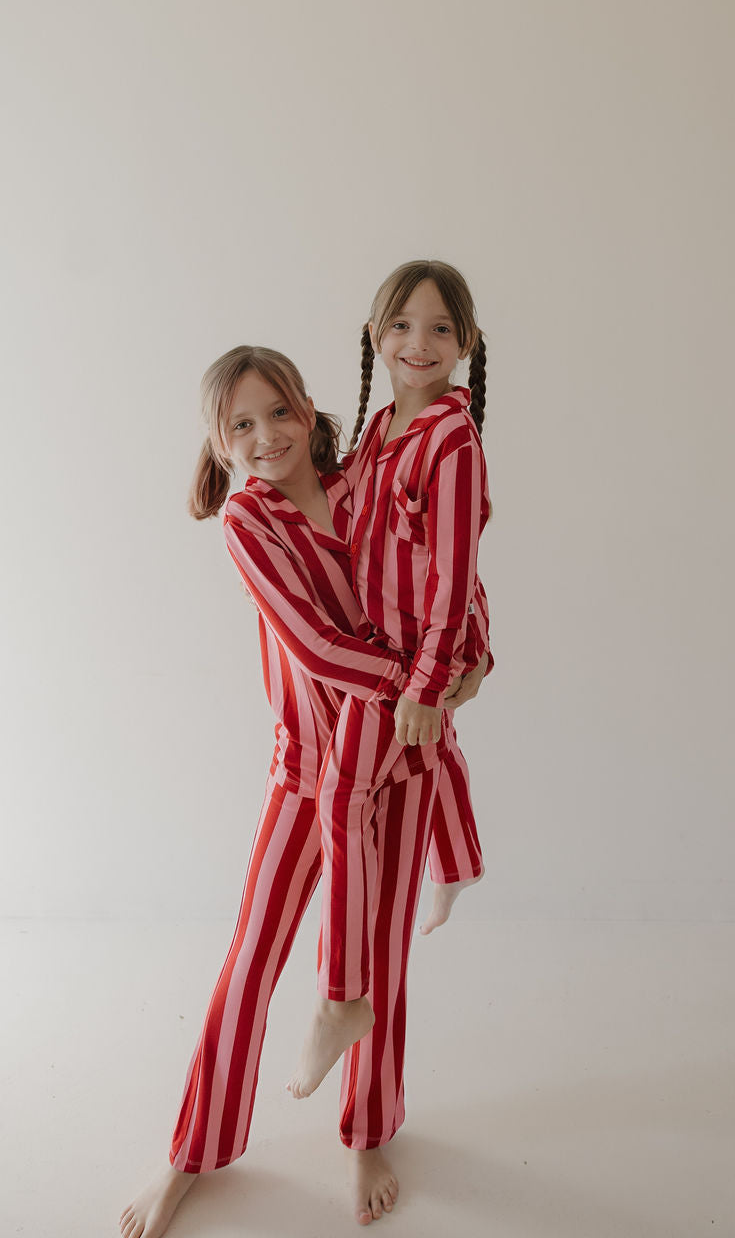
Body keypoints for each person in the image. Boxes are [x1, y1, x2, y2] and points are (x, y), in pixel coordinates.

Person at [120, 345, 487, 1238]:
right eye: (240, 425)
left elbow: (445, 568)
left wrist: (467, 661)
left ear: (307, 406)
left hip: (394, 765)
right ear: (219, 443)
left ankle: (366, 1133)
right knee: (250, 966)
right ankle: (189, 1156)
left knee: (381, 969)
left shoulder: (361, 475)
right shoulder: (247, 523)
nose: (266, 436)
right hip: (306, 773)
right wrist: (421, 681)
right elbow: (321, 649)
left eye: (278, 413)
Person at [289, 261, 490, 1100]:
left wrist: (428, 681)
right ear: (376, 336)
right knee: (425, 757)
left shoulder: (451, 437)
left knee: (344, 794)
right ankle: (460, 862)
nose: (420, 342)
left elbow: (452, 571)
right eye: (402, 325)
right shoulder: (381, 428)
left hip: (414, 653)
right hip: (393, 644)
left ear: (467, 345)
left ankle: (342, 998)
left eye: (441, 328)